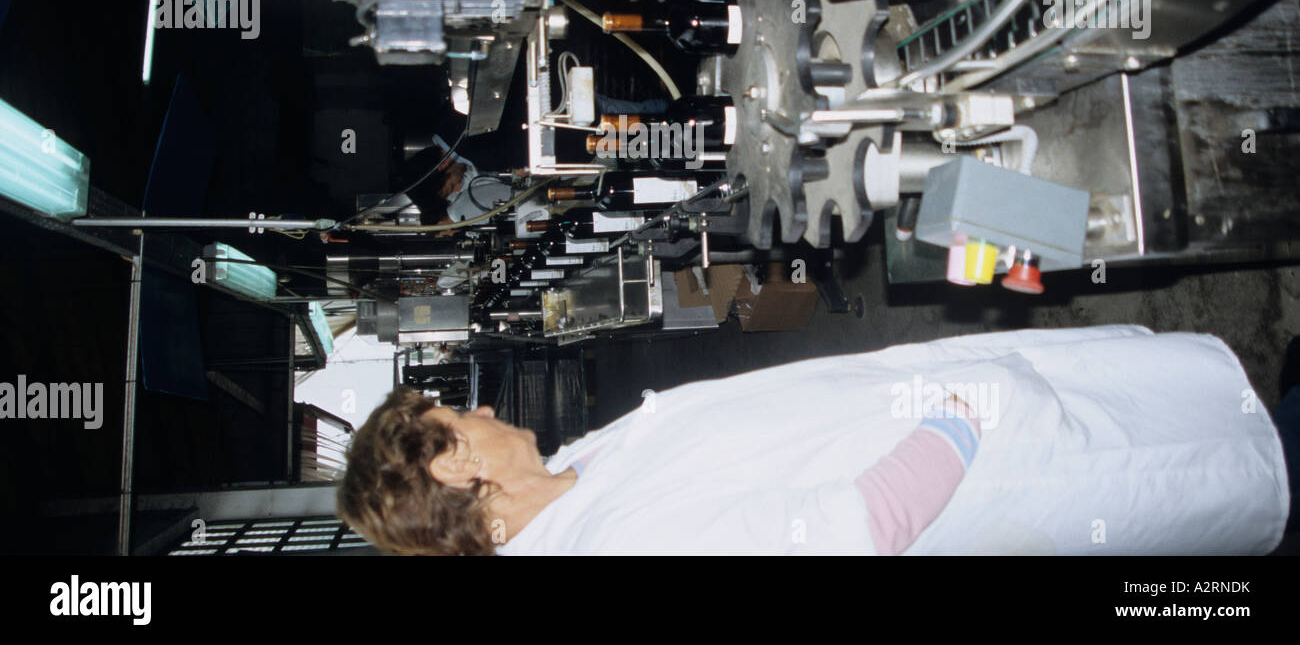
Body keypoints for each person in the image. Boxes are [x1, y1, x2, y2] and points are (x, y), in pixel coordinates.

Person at [337, 325, 1293, 555]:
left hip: (971, 410)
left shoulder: (582, 472)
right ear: (454, 465)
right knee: (1220, 452)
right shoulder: (616, 545)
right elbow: (850, 529)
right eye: (465, 421)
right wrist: (960, 420)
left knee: (1179, 398)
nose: (489, 415)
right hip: (994, 462)